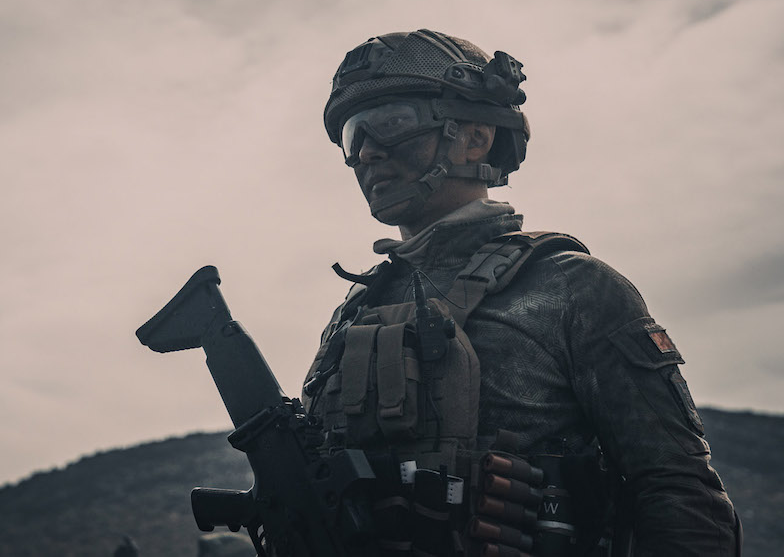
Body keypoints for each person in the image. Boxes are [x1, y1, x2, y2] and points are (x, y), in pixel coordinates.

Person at [301, 30, 740, 556]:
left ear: (475, 138)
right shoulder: (357, 311)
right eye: (353, 137)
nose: (367, 152)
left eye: (392, 123)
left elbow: (681, 495)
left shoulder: (574, 288)